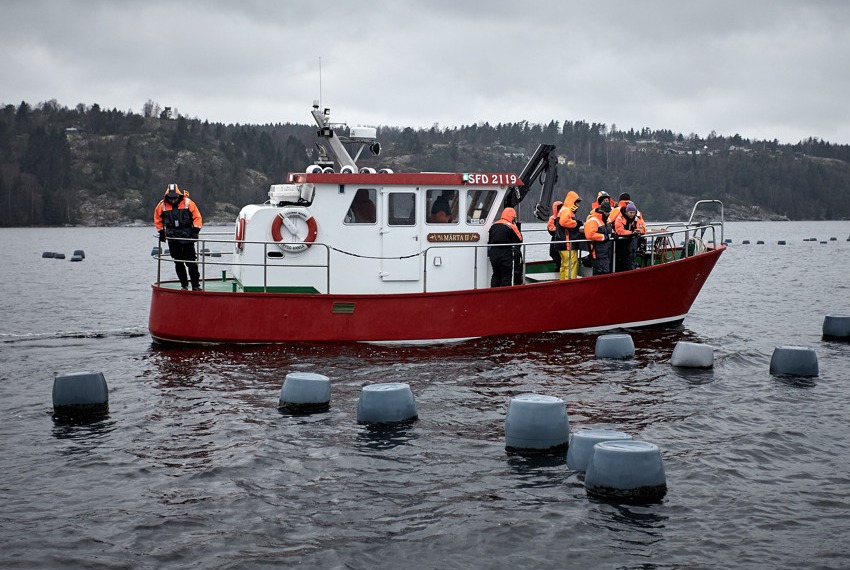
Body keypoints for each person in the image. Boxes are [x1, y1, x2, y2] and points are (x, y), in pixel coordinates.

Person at [154, 183, 203, 290]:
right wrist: (161, 232)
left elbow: (197, 217)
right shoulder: (162, 205)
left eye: (175, 198)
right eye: (170, 198)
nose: (173, 200)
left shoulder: (188, 203)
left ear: (178, 195)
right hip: (172, 238)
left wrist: (196, 231)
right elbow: (157, 219)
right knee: (178, 262)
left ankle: (195, 285)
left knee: (191, 262)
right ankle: (184, 285)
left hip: (187, 237)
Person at [488, 207, 523, 287]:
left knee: (495, 275)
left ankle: (494, 292)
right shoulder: (510, 226)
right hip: (505, 253)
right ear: (512, 217)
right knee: (506, 275)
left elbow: (490, 240)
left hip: (494, 253)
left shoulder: (494, 225)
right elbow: (519, 240)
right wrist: (516, 227)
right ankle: (505, 293)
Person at [555, 191, 583, 279]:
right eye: (577, 203)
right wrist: (576, 223)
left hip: (562, 243)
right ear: (573, 202)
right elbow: (564, 222)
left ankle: (562, 283)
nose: (578, 205)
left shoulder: (563, 210)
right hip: (567, 244)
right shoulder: (567, 210)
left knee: (564, 265)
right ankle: (570, 283)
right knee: (571, 264)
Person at [584, 199, 614, 275]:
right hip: (598, 252)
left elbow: (608, 232)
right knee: (602, 272)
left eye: (608, 212)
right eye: (606, 212)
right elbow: (590, 235)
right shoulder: (593, 220)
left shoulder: (606, 220)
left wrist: (613, 234)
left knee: (604, 272)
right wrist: (603, 237)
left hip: (605, 252)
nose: (608, 214)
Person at [613, 202, 645, 272]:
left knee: (631, 260)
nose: (632, 214)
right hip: (621, 245)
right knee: (620, 263)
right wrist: (632, 233)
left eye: (633, 213)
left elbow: (642, 229)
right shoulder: (619, 219)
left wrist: (638, 232)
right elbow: (620, 231)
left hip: (630, 245)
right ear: (627, 212)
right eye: (630, 212)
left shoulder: (636, 219)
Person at [546, 200, 564, 272]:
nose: (560, 209)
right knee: (554, 254)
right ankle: (558, 268)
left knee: (562, 256)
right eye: (559, 208)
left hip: (563, 239)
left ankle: (560, 269)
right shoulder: (552, 218)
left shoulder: (564, 217)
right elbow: (551, 230)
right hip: (556, 239)